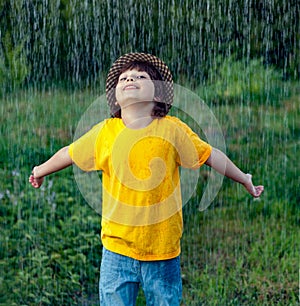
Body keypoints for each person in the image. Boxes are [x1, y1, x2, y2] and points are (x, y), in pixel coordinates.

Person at [29, 52, 264, 305]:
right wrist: (40, 170)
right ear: (116, 97)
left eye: (140, 76)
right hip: (117, 249)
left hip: (162, 249)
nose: (130, 79)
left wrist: (243, 178)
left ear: (157, 94)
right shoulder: (105, 133)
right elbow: (70, 152)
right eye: (124, 78)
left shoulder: (172, 130)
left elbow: (210, 155)